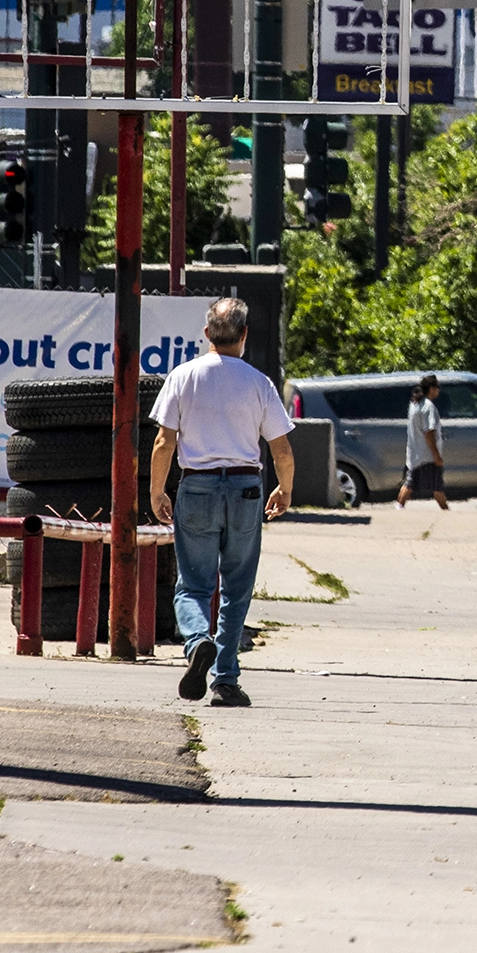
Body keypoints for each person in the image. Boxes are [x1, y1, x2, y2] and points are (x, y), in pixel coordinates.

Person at [149, 297, 295, 709]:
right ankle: (226, 680)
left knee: (193, 584)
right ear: (245, 336)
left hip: (196, 487)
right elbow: (281, 449)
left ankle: (197, 641)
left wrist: (158, 490)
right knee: (237, 587)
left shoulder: (183, 377)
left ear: (207, 333)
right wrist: (284, 488)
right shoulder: (259, 383)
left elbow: (164, 441)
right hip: (247, 488)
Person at [398, 375, 449, 510]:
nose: (438, 390)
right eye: (437, 387)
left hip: (416, 454)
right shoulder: (428, 407)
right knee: (436, 486)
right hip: (427, 456)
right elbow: (429, 432)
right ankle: (447, 512)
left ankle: (399, 506)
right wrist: (436, 455)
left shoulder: (414, 404)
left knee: (411, 483)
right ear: (431, 389)